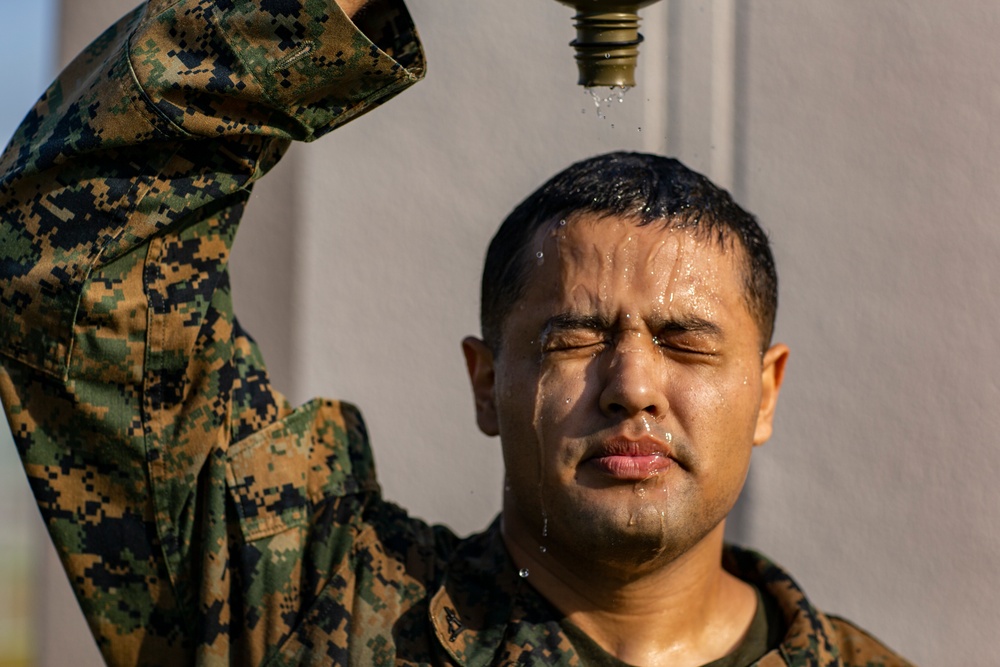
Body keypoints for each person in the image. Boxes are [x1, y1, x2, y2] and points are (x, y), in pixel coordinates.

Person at [0, 0, 912, 665]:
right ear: (486, 380)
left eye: (685, 342)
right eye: (572, 337)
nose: (632, 384)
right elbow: (65, 258)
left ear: (767, 389)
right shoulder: (303, 610)